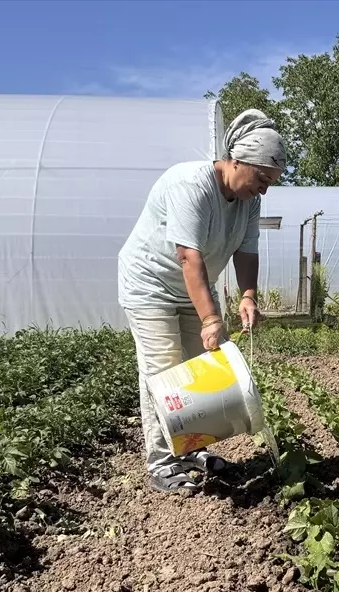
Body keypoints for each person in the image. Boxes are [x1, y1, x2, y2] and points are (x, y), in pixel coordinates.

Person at [117, 108, 286, 495]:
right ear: (237, 160)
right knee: (163, 372)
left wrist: (248, 295)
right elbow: (188, 257)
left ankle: (191, 449)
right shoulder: (190, 185)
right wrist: (211, 319)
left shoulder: (249, 201)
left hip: (191, 287)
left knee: (195, 370)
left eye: (271, 183)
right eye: (261, 178)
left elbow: (246, 250)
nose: (263, 189)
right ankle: (161, 463)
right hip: (151, 286)